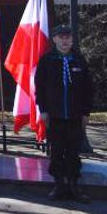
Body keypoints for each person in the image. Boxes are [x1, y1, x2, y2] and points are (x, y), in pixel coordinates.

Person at [35, 24, 95, 202]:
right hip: (55, 115)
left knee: (73, 151)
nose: (65, 41)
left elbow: (88, 89)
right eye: (61, 37)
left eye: (68, 37)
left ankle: (74, 185)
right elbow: (40, 87)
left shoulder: (79, 60)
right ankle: (59, 184)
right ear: (54, 39)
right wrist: (43, 110)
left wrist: (86, 112)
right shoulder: (47, 60)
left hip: (75, 116)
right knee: (57, 151)